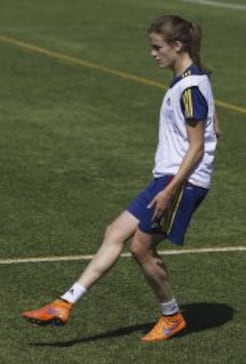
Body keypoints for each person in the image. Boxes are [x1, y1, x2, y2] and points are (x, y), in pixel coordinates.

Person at [22, 15, 220, 342]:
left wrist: (170, 190)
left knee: (141, 249)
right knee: (115, 232)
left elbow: (197, 147)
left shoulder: (189, 87)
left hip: (182, 182)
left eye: (157, 48)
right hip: (168, 178)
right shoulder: (188, 80)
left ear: (177, 46)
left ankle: (171, 316)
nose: (152, 54)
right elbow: (207, 125)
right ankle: (63, 304)